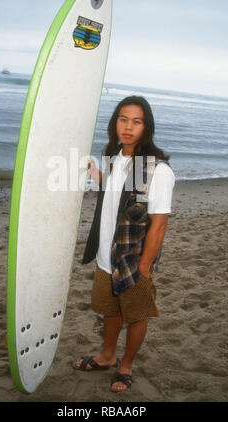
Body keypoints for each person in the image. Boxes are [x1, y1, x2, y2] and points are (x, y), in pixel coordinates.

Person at [74, 95, 175, 392]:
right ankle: (107, 356)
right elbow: (112, 189)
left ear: (147, 127)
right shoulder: (115, 158)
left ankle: (126, 365)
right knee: (110, 310)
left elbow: (159, 225)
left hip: (133, 261)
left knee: (135, 315)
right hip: (106, 257)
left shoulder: (156, 169)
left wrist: (144, 267)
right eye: (123, 119)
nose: (128, 127)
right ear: (115, 122)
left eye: (136, 121)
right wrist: (92, 170)